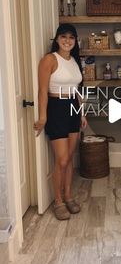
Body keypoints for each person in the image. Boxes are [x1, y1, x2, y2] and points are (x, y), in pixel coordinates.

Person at [34, 23, 87, 220]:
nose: (67, 41)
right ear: (56, 39)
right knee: (62, 159)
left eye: (71, 37)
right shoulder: (49, 60)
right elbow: (42, 91)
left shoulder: (74, 60)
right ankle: (58, 201)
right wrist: (42, 117)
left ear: (75, 41)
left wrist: (81, 113)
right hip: (56, 109)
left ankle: (68, 196)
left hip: (73, 108)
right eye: (63, 37)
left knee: (70, 157)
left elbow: (77, 90)